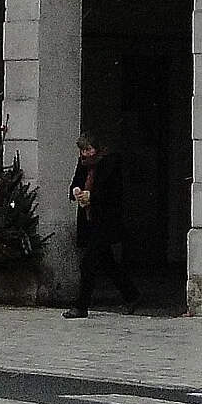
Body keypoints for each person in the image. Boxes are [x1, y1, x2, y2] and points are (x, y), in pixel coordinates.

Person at [63, 132, 140, 317]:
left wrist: (92, 196)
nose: (85, 154)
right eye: (82, 150)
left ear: (96, 149)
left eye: (88, 149)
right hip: (89, 220)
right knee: (108, 263)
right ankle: (133, 295)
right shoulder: (82, 165)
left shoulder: (110, 164)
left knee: (87, 263)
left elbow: (114, 194)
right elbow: (75, 184)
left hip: (105, 221)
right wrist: (77, 192)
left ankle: (81, 307)